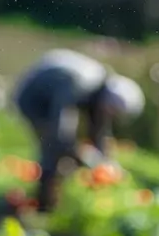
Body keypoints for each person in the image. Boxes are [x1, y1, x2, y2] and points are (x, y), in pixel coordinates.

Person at [12, 49, 144, 211]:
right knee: (53, 147)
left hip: (55, 95)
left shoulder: (101, 89)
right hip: (35, 99)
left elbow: (100, 129)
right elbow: (61, 133)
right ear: (107, 101)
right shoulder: (79, 83)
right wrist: (83, 155)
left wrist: (106, 162)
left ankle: (57, 198)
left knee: (69, 152)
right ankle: (43, 203)